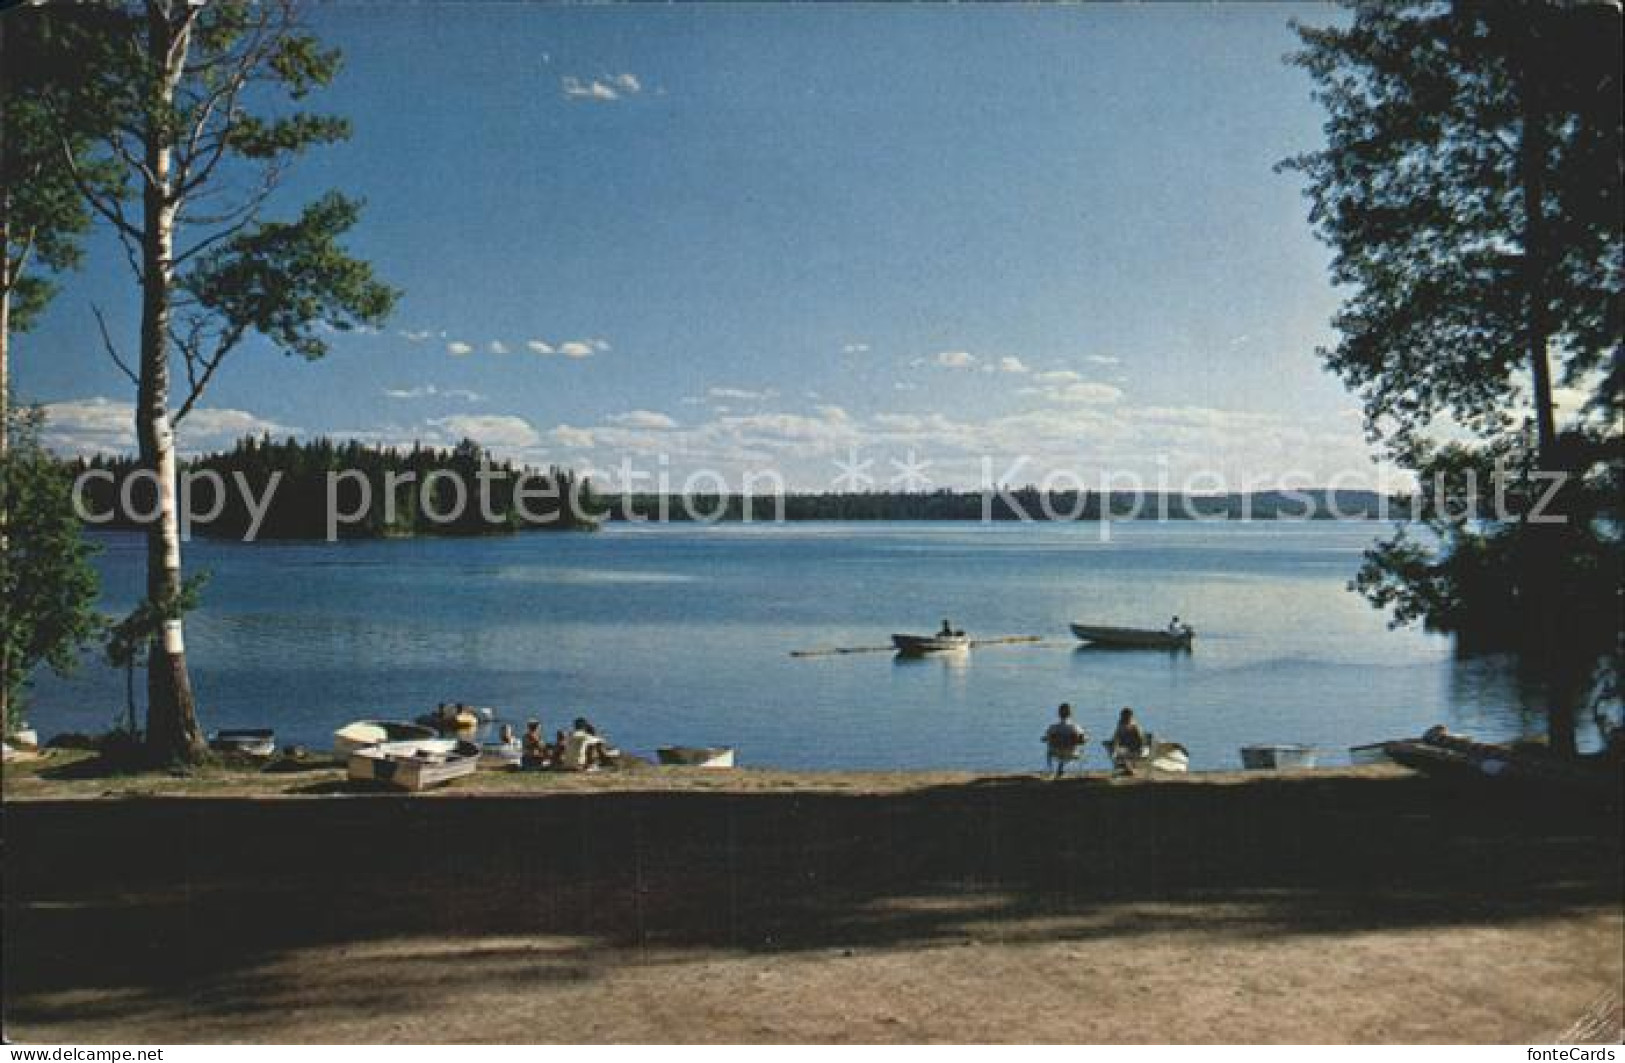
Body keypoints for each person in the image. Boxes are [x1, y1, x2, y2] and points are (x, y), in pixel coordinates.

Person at [1042, 703, 1088, 779]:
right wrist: (1084, 739)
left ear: (1059, 714)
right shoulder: (1075, 727)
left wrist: (1047, 739)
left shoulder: (1053, 728)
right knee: (1081, 750)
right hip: (1072, 753)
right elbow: (1083, 739)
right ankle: (1078, 772)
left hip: (1056, 753)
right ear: (1070, 714)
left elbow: (1046, 738)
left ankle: (1052, 771)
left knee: (1050, 750)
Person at [1109, 707, 1147, 773]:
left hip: (1134, 749)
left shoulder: (1134, 726)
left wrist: (1141, 748)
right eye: (1122, 715)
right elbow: (1116, 737)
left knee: (1120, 752)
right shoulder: (1121, 724)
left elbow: (1141, 739)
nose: (1122, 717)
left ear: (1129, 716)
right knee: (1118, 751)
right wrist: (1114, 747)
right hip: (1125, 747)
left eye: (1124, 715)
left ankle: (1129, 767)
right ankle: (1127, 767)